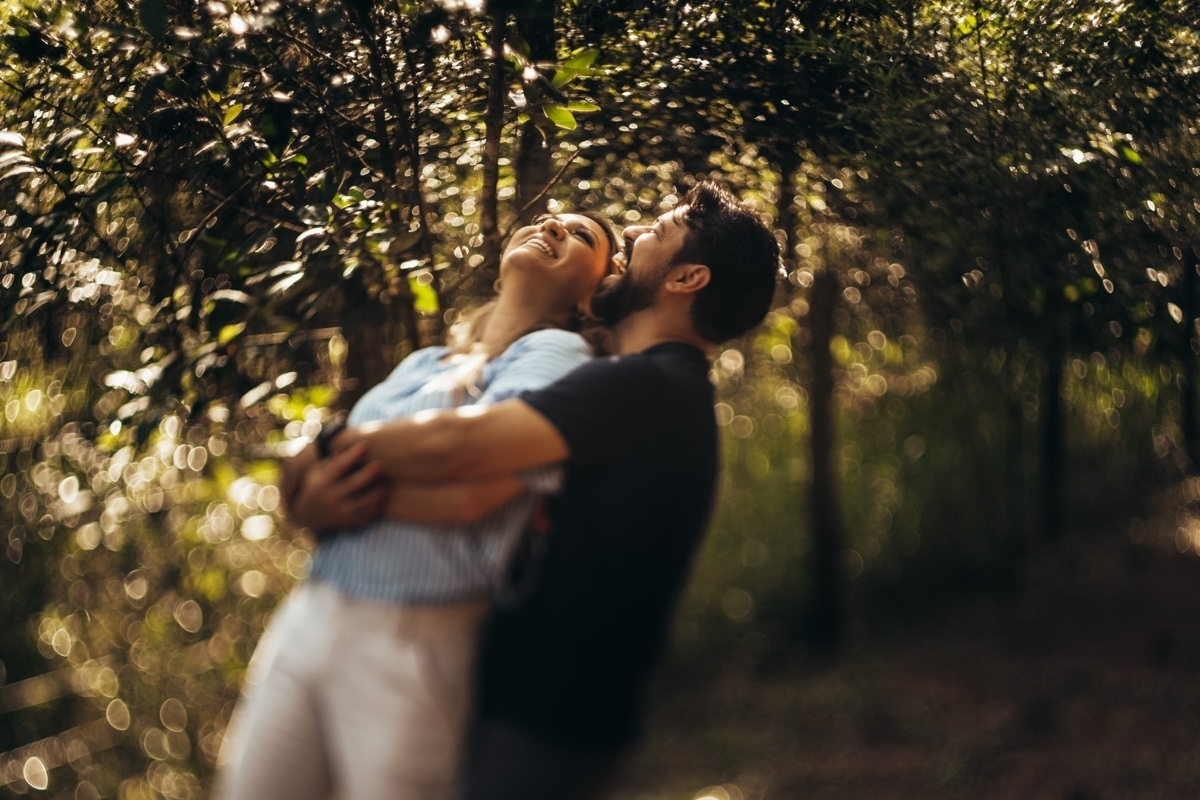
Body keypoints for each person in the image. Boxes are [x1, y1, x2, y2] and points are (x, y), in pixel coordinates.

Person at [322, 182, 781, 799]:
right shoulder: (658, 388)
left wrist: (326, 451)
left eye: (655, 234)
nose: (632, 243)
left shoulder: (645, 387)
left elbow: (454, 449)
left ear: (687, 278)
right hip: (536, 705)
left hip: (548, 724)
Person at [213, 209, 618, 800]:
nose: (554, 225)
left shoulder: (560, 355)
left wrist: (344, 485)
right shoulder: (425, 363)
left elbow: (469, 491)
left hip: (411, 638)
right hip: (314, 610)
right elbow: (301, 473)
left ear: (590, 300)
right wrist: (314, 504)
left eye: (581, 235)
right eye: (550, 218)